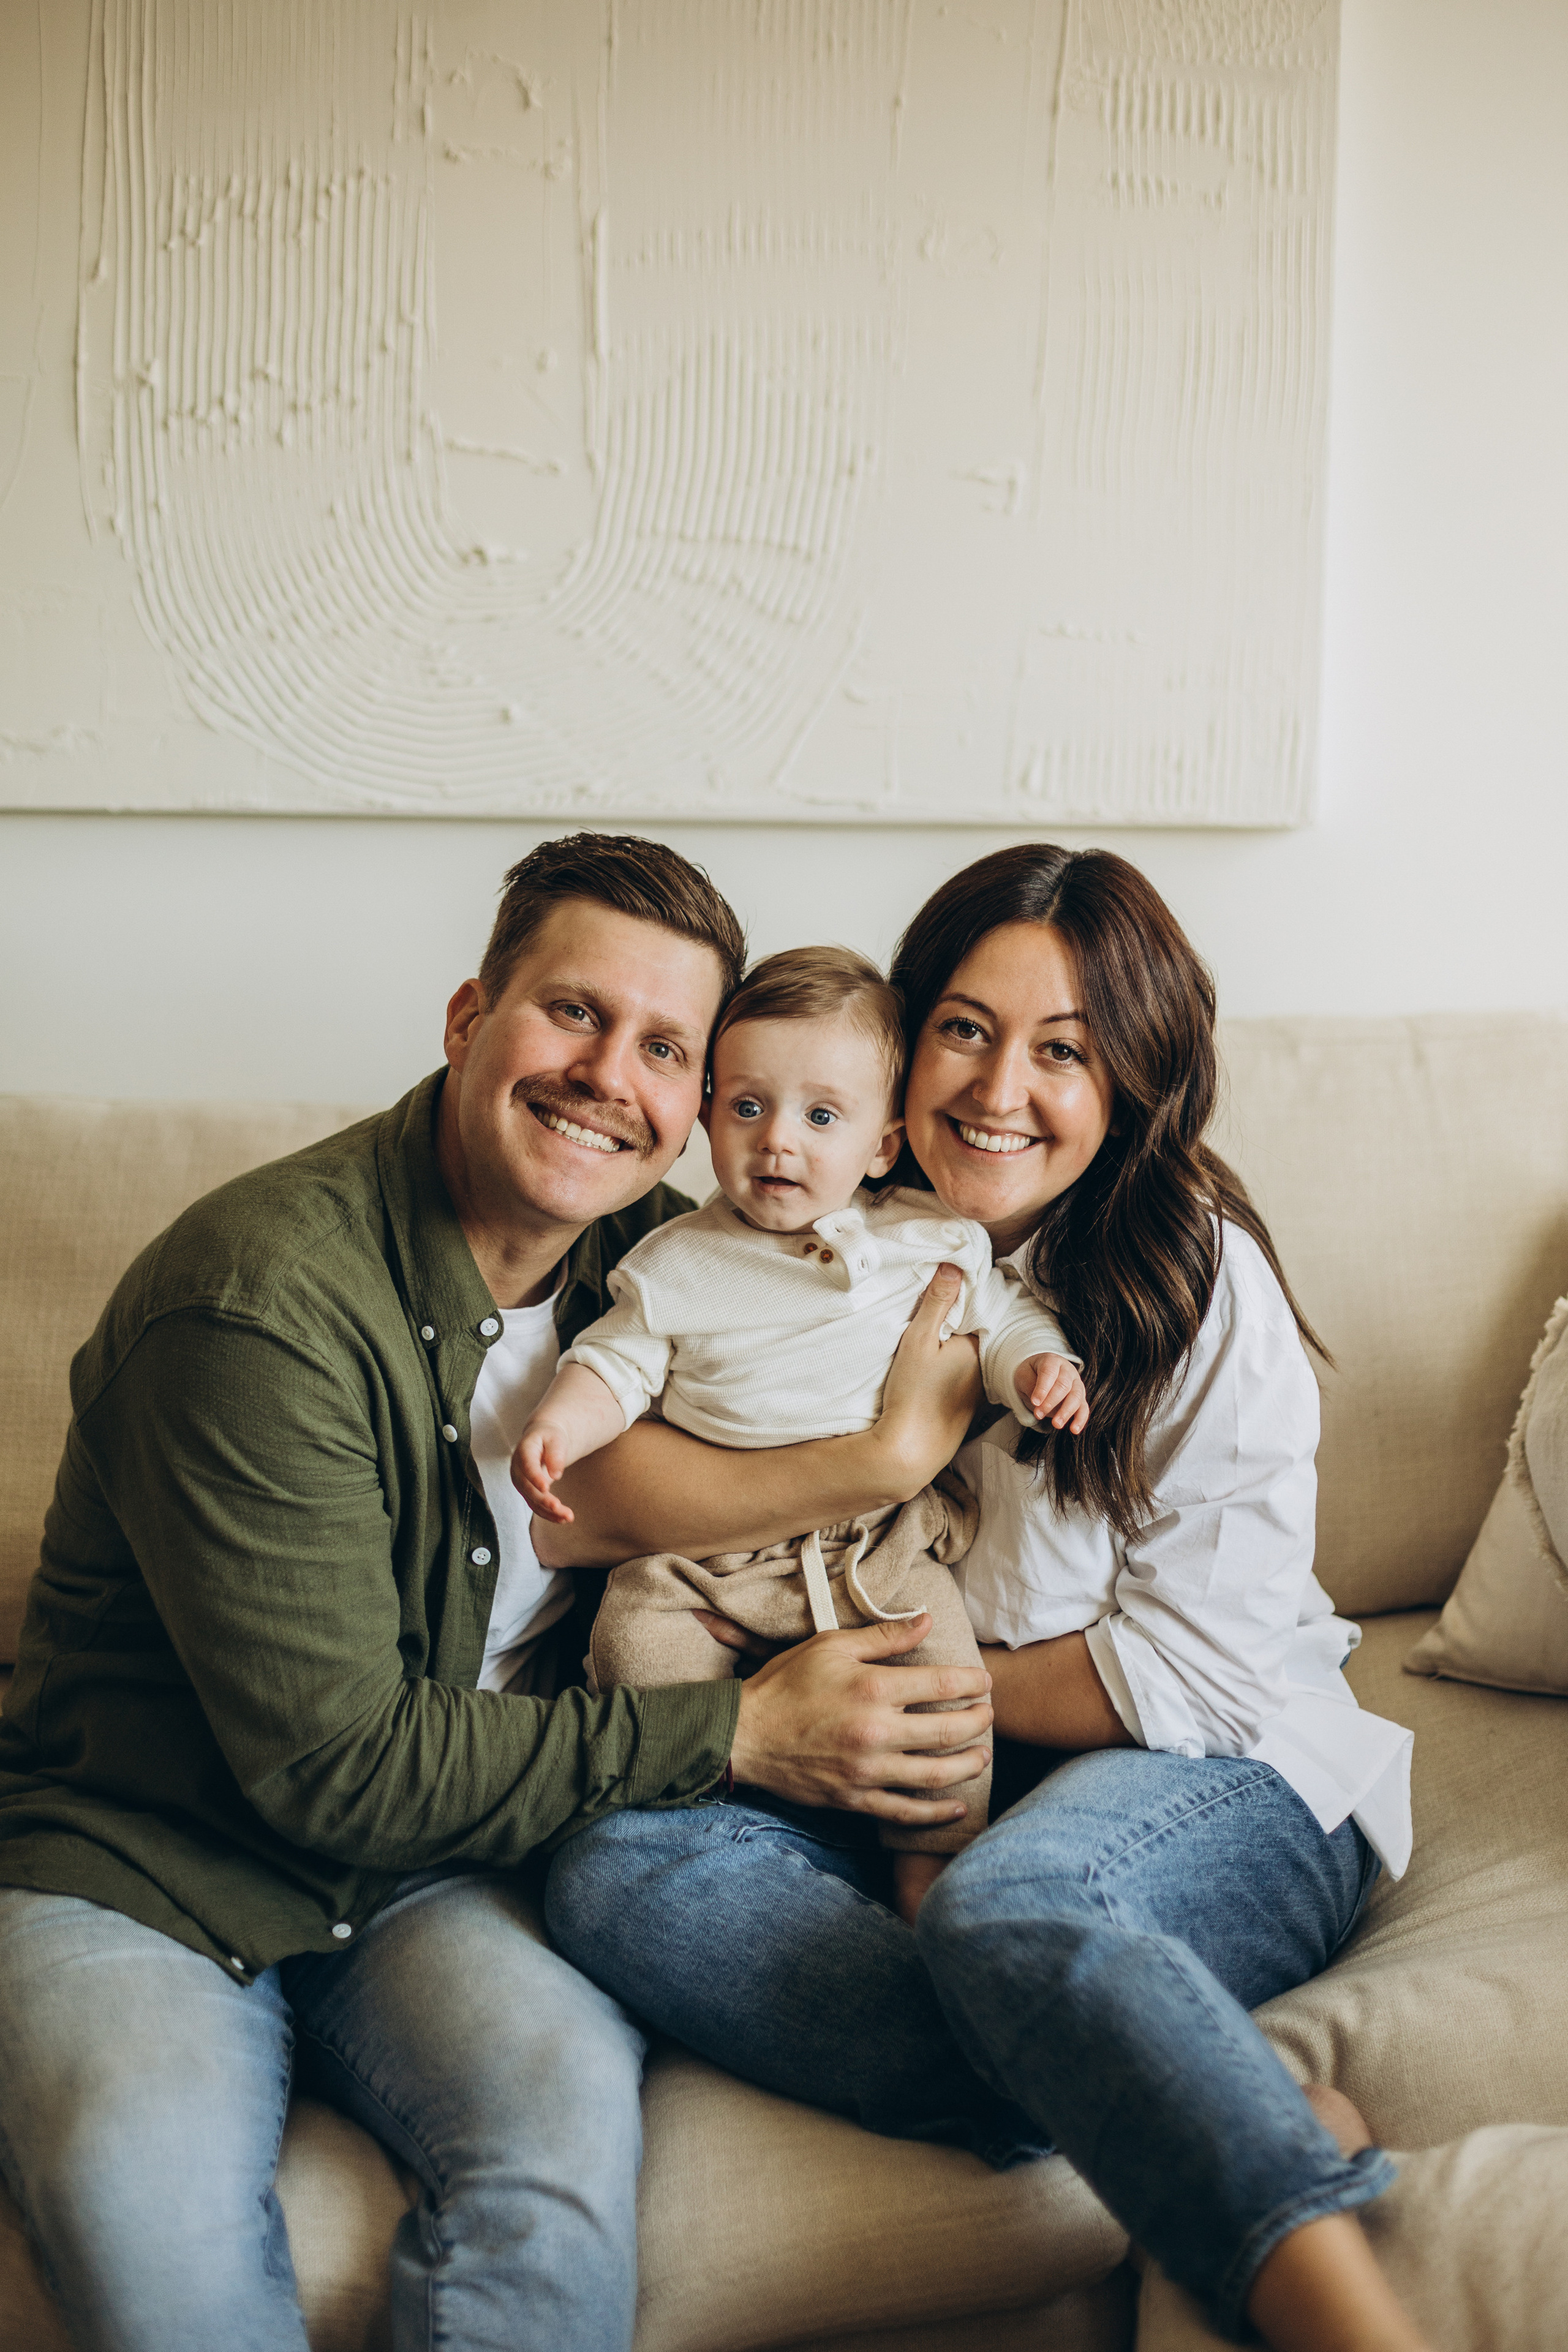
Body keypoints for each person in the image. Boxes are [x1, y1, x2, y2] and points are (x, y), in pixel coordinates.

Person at [0, 833, 995, 2352]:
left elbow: (757, 1449)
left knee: (561, 2162)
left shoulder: (663, 1265)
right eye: (573, 1013)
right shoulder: (256, 1310)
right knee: (160, 2249)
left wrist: (886, 1457)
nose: (609, 1076)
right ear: (470, 1017)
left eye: (663, 1047)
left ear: (698, 1097)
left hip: (439, 1872)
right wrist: (737, 1730)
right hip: (150, 1862)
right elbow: (342, 1766)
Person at [540, 843, 1431, 2352]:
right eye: (964, 1029)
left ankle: (1333, 2303)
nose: (999, 1088)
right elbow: (595, 1501)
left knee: (1009, 1907)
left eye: (1063, 1050)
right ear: (902, 1051)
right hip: (914, 1763)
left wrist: (879, 1700)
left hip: (1218, 1769)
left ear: (1131, 1079)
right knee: (612, 1872)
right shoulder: (808, 1216)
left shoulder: (1191, 1276)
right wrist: (865, 1491)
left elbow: (1201, 1678)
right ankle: (1186, 2079)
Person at [514, 944, 1088, 1890]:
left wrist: (1038, 1367)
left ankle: (928, 1875)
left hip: (880, 1547)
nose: (778, 1140)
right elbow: (615, 1361)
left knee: (948, 1696)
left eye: (821, 1117)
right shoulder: (675, 1262)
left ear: (883, 1145)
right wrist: (559, 1429)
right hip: (707, 1558)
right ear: (707, 1116)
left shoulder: (928, 1239)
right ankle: (697, 1823)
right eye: (749, 1107)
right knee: (632, 1641)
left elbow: (1000, 1317)